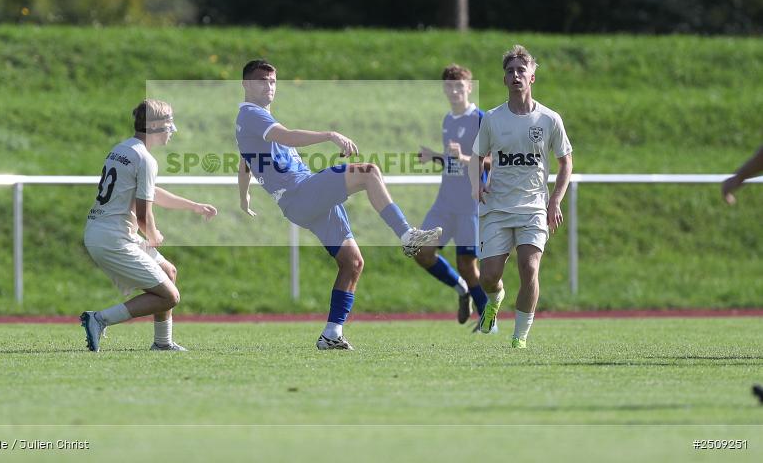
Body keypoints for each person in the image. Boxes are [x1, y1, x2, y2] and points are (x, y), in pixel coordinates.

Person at [236, 59, 442, 350]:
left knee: (352, 263)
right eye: (261, 80)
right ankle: (407, 235)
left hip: (304, 199)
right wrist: (330, 135)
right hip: (301, 193)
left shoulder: (251, 121)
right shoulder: (251, 115)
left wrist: (243, 196)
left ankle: (332, 334)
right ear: (245, 84)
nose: (268, 86)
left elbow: (246, 159)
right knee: (368, 172)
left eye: (272, 81)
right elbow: (286, 136)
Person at [81, 99, 217, 352]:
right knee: (170, 296)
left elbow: (150, 191)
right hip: (113, 239)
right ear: (153, 126)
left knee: (169, 272)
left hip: (105, 232)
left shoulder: (123, 149)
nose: (171, 130)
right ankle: (99, 319)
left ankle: (163, 343)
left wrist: (193, 206)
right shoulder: (145, 158)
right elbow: (144, 213)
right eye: (168, 124)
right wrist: (153, 235)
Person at [468, 45, 573, 349]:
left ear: (532, 78)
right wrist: (477, 185)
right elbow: (477, 157)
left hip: (533, 208)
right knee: (488, 276)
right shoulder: (492, 119)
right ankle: (495, 298)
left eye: (521, 71)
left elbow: (565, 160)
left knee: (529, 269)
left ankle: (520, 337)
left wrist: (554, 200)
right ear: (504, 80)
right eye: (510, 71)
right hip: (497, 206)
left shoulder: (549, 119)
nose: (515, 75)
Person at [414, 64, 491, 326]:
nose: (455, 91)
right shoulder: (448, 120)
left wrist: (464, 156)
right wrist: (434, 156)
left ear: (469, 87)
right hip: (444, 201)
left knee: (468, 265)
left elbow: (492, 161)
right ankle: (461, 290)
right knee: (420, 251)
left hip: (469, 203)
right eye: (449, 87)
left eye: (460, 86)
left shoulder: (480, 118)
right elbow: (453, 162)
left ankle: (488, 320)